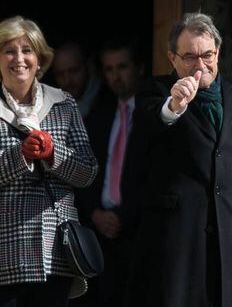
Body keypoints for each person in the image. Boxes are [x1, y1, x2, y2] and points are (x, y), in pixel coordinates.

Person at [124, 12, 232, 307]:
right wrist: (174, 105)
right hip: (176, 245)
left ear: (217, 53)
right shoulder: (153, 93)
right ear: (172, 58)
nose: (200, 65)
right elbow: (151, 123)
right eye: (190, 57)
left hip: (230, 243)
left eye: (207, 55)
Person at [0, 16, 98, 307]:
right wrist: (21, 156)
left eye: (27, 49)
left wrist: (54, 154)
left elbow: (89, 172)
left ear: (40, 59)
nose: (19, 58)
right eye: (8, 50)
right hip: (6, 251)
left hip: (54, 251)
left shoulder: (63, 103)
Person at [75, 38, 144, 307]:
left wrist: (124, 216)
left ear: (139, 67)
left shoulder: (155, 116)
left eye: (122, 67)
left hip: (139, 235)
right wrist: (94, 213)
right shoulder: (98, 117)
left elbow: (156, 178)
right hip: (101, 236)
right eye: (109, 69)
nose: (116, 76)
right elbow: (82, 172)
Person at [51, 42, 102, 120]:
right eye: (60, 74)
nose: (67, 80)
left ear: (90, 67)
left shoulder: (110, 102)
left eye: (73, 71)